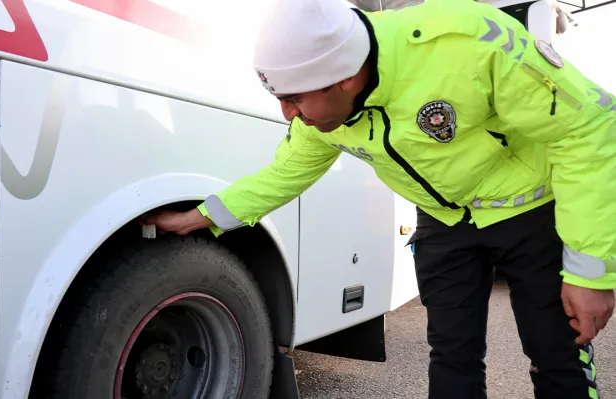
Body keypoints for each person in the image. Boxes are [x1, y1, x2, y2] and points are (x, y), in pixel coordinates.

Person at [144, 0, 616, 397]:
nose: (288, 114)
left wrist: (590, 270)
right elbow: (283, 174)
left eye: (295, 99)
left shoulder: (467, 44)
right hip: (444, 223)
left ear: (344, 80)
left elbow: (590, 129)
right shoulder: (322, 113)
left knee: (557, 353)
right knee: (452, 357)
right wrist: (200, 218)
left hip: (530, 213)